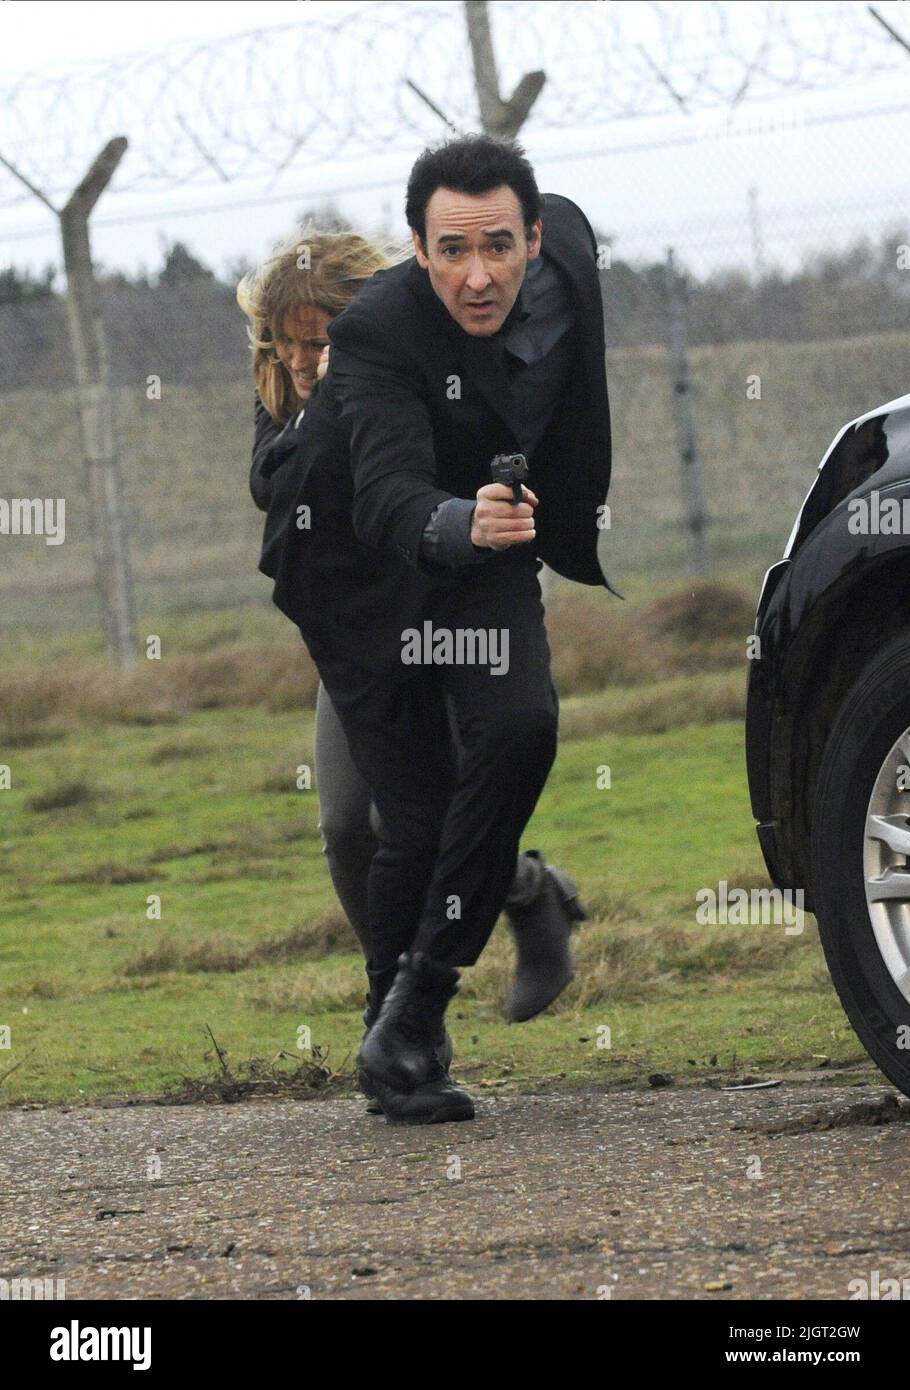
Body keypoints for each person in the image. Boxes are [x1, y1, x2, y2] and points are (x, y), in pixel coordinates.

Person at [262, 133, 619, 1125]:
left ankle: (416, 1002)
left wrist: (513, 517)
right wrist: (460, 519)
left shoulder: (572, 270)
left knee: (520, 726)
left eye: (498, 247)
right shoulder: (375, 333)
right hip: (362, 577)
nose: (477, 275)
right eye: (451, 251)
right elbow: (382, 494)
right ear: (417, 252)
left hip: (488, 553)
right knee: (401, 822)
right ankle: (403, 1035)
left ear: (534, 239)